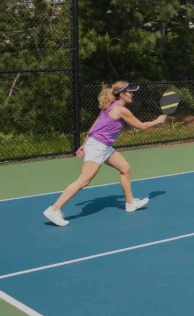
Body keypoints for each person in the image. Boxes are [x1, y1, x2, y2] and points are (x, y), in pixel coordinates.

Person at [43, 81, 167, 226]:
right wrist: (157, 121)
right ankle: (54, 209)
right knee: (83, 180)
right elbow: (141, 126)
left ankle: (130, 202)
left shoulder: (109, 106)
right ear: (122, 94)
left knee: (125, 168)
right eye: (130, 92)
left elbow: (95, 125)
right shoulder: (120, 109)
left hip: (102, 145)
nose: (132, 94)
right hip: (98, 146)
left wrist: (84, 144)